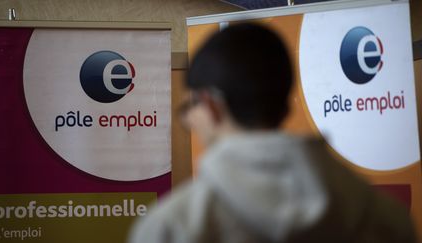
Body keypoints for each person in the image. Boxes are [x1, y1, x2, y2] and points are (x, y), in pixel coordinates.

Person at [128, 23, 416, 243]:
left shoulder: (172, 227)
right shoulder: (386, 218)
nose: (189, 120)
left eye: (191, 106)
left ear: (212, 105)